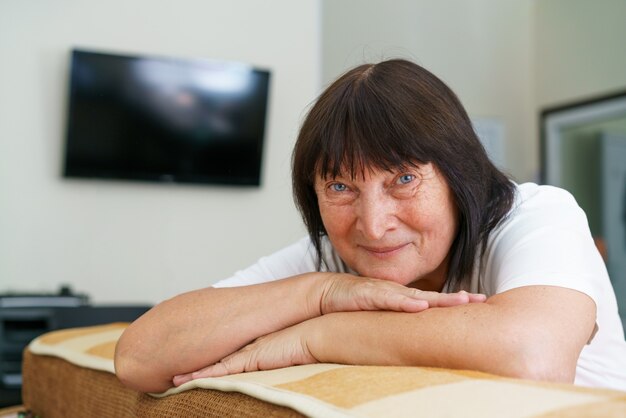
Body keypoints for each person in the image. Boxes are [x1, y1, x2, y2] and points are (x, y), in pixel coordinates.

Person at [114, 59, 626, 394]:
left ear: (458, 172)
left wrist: (317, 335)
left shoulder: (535, 215)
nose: (374, 226)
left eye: (403, 179)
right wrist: (320, 291)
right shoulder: (333, 261)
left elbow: (532, 356)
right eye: (340, 188)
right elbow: (140, 358)